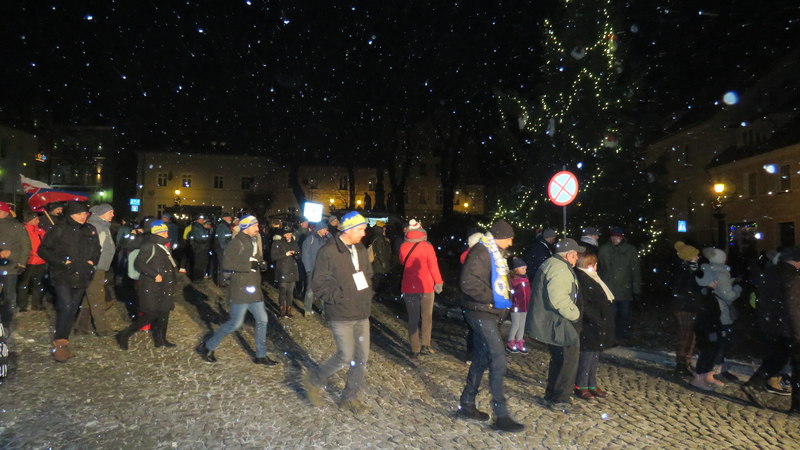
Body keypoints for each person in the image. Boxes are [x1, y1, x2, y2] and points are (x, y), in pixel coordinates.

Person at [457, 219, 524, 432]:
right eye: (509, 238)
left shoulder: (492, 252)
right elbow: (468, 283)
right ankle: (501, 415)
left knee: (481, 357)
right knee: (498, 358)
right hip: (480, 312)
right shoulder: (481, 251)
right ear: (500, 237)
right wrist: (492, 298)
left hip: (486, 312)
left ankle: (467, 403)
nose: (511, 242)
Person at [302, 211, 373, 413]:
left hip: (361, 312)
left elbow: (368, 273)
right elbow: (318, 284)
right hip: (340, 313)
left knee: (361, 358)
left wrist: (367, 293)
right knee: (345, 356)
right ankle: (314, 379)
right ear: (348, 229)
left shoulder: (360, 248)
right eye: (360, 229)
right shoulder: (328, 251)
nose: (364, 233)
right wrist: (340, 297)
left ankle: (349, 398)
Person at [198, 215, 278, 366]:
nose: (258, 228)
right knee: (234, 324)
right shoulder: (236, 242)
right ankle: (208, 346)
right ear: (246, 227)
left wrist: (262, 263)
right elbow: (227, 264)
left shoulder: (254, 240)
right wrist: (249, 266)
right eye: (255, 226)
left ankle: (261, 355)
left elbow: (255, 258)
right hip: (240, 289)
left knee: (263, 319)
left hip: (254, 288)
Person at [38, 201, 101, 362]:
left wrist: (92, 262)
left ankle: (64, 341)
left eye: (85, 214)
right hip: (63, 275)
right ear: (70, 214)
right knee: (66, 306)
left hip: (82, 275)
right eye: (78, 214)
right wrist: (61, 262)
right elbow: (43, 250)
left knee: (72, 309)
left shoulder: (90, 229)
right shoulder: (58, 229)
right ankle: (59, 343)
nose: (82, 217)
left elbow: (96, 249)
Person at [527, 238, 584, 412]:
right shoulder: (560, 269)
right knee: (568, 360)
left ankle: (552, 395)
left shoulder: (551, 263)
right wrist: (575, 314)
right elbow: (558, 299)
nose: (577, 258)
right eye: (575, 255)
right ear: (568, 255)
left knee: (559, 359)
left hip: (552, 321)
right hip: (559, 322)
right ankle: (560, 399)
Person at [741, 248, 795, 405]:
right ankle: (761, 383)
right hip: (783, 324)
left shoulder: (770, 273)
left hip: (773, 322)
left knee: (778, 357)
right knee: (781, 357)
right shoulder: (786, 275)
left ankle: (757, 383)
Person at [115, 220, 179, 350]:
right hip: (151, 285)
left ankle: (161, 340)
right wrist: (154, 274)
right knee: (151, 314)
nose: (167, 234)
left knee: (164, 313)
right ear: (157, 233)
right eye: (164, 232)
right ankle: (124, 334)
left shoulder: (163, 245)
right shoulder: (149, 245)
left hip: (165, 284)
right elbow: (139, 264)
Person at [695, 247, 742, 382]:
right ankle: (715, 370)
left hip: (710, 312)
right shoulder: (721, 273)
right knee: (723, 342)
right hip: (721, 313)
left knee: (717, 342)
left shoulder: (706, 270)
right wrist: (738, 287)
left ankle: (714, 369)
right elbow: (729, 295)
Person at [398, 219, 443, 358]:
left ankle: (415, 348)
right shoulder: (427, 246)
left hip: (409, 287)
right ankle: (426, 345)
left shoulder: (403, 246)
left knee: (413, 318)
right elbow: (433, 265)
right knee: (427, 316)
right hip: (426, 286)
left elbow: (402, 262)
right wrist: (438, 282)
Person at [573, 251, 615, 400]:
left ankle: (591, 383)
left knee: (594, 356)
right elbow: (585, 303)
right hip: (589, 324)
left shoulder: (591, 277)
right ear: (591, 265)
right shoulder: (582, 278)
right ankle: (581, 385)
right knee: (586, 356)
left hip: (597, 323)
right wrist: (595, 319)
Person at [75, 203, 116, 336]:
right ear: (102, 213)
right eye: (110, 212)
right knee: (98, 297)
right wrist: (93, 264)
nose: (113, 215)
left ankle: (81, 327)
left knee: (90, 297)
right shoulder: (96, 227)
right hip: (95, 267)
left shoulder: (102, 226)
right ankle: (102, 329)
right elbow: (93, 248)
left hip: (99, 266)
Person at [598, 227, 641, 341]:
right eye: (613, 236)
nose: (615, 239)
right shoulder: (604, 249)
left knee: (623, 316)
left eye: (617, 237)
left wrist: (636, 289)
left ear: (622, 237)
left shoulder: (630, 250)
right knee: (611, 315)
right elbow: (600, 269)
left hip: (624, 290)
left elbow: (635, 270)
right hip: (609, 289)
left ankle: (620, 336)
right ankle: (610, 337)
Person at [670, 242, 703, 377]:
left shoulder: (690, 269)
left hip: (688, 305)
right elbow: (685, 288)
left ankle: (685, 362)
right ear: (689, 257)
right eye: (695, 255)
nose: (698, 257)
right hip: (685, 307)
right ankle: (681, 364)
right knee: (686, 336)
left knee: (690, 336)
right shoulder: (684, 270)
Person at [777, 247, 800, 416]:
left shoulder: (781, 273)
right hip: (796, 331)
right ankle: (797, 406)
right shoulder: (794, 278)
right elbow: (794, 309)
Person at [0, 202, 31, 329]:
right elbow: (25, 246)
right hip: (10, 266)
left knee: (9, 295)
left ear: (5, 212)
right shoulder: (18, 226)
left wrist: (21, 262)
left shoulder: (17, 226)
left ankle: (6, 321)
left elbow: (25, 246)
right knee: (9, 295)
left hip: (10, 266)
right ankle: (6, 320)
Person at [17, 211, 47, 311]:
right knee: (24, 283)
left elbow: (47, 243)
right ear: (29, 220)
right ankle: (22, 305)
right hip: (28, 261)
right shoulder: (23, 231)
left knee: (38, 284)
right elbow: (23, 246)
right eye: (36, 219)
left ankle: (37, 304)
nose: (38, 221)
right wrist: (33, 253)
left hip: (40, 261)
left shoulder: (40, 231)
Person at [301, 220, 330, 316]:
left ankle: (324, 310)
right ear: (319, 230)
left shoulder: (326, 239)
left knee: (324, 290)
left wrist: (329, 235)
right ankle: (307, 310)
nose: (326, 231)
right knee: (310, 290)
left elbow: (334, 243)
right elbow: (305, 255)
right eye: (324, 229)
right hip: (312, 269)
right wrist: (308, 269)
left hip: (323, 270)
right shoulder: (310, 239)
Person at [271, 225, 301, 318]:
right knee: (283, 291)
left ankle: (289, 309)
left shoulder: (294, 243)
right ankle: (282, 309)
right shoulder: (277, 243)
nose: (289, 236)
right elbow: (273, 257)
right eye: (287, 234)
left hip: (292, 270)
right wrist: (285, 254)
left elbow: (299, 256)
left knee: (290, 292)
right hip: (282, 270)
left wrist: (296, 254)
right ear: (283, 235)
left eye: (290, 234)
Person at [506, 257, 530, 354]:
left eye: (525, 268)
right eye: (522, 268)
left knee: (522, 325)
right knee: (516, 324)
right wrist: (513, 303)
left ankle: (519, 341)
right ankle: (511, 341)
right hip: (516, 306)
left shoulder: (525, 279)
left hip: (525, 306)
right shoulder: (513, 280)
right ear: (516, 269)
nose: (525, 270)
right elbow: (512, 293)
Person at [369, 221, 393, 300]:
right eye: (384, 227)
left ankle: (376, 295)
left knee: (378, 280)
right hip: (379, 264)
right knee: (378, 280)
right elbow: (380, 253)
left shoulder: (377, 237)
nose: (385, 229)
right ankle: (375, 296)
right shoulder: (380, 239)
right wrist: (384, 264)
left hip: (378, 264)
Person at [188, 215, 212, 281]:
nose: (203, 220)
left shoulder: (200, 227)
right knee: (199, 263)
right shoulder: (196, 227)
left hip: (202, 247)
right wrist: (207, 238)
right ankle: (197, 277)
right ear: (198, 220)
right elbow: (201, 238)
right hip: (199, 248)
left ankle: (200, 276)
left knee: (202, 263)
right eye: (201, 219)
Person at [213, 213, 233, 284]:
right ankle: (221, 282)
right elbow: (221, 239)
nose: (231, 219)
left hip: (223, 248)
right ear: (225, 218)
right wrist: (225, 249)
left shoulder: (225, 226)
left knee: (223, 264)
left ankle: (222, 281)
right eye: (229, 217)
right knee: (222, 264)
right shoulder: (222, 226)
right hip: (222, 249)